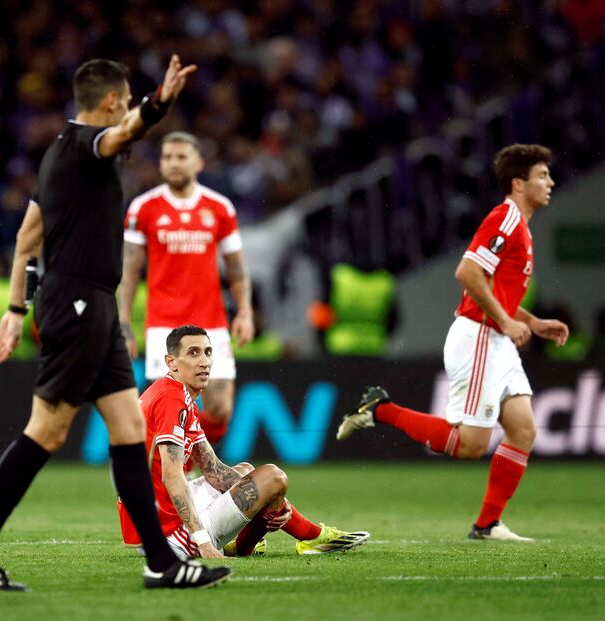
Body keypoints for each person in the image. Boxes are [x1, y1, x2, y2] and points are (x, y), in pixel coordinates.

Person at [0, 56, 231, 592]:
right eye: (123, 103)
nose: (125, 115)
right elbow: (123, 134)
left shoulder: (57, 158)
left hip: (93, 305)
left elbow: (28, 238)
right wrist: (160, 103)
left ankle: (161, 564)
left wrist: (13, 310)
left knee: (128, 429)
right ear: (110, 103)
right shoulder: (85, 146)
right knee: (48, 432)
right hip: (75, 304)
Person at [337, 144, 569, 542]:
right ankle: (382, 409)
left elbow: (497, 289)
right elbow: (468, 273)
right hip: (479, 337)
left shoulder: (520, 225)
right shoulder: (506, 219)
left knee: (523, 431)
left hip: (497, 338)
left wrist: (532, 322)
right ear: (518, 183)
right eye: (542, 176)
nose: (550, 182)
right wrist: (505, 322)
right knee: (470, 446)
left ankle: (487, 525)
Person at [119, 325, 369, 558]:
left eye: (207, 352)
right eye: (193, 353)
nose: (204, 361)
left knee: (246, 471)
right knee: (273, 477)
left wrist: (279, 508)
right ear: (171, 362)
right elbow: (171, 476)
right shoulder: (171, 400)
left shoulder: (173, 393)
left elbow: (215, 472)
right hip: (167, 534)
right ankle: (295, 538)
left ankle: (281, 534)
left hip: (149, 517)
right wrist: (202, 540)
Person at [119, 132, 253, 446]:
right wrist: (123, 323)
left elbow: (236, 267)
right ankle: (167, 484)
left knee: (220, 408)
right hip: (164, 325)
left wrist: (244, 311)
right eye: (167, 157)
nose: (173, 163)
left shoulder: (219, 208)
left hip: (211, 323)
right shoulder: (143, 208)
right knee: (168, 410)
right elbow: (129, 269)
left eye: (181, 157)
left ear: (198, 162)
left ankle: (191, 462)